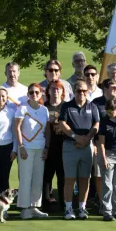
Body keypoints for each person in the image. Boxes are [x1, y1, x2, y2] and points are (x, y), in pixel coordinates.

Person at [58, 80, 100, 220]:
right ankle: (68, 208)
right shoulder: (67, 106)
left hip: (87, 147)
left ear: (87, 92)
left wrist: (87, 138)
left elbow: (96, 124)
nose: (81, 93)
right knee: (69, 179)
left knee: (84, 179)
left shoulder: (92, 106)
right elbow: (62, 123)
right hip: (70, 146)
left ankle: (82, 207)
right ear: (74, 92)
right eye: (78, 90)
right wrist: (76, 137)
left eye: (84, 91)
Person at [14, 83, 50, 219]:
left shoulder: (44, 110)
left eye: (36, 92)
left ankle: (34, 207)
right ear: (28, 94)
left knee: (37, 178)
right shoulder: (22, 108)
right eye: (31, 92)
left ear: (41, 94)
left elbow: (47, 130)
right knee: (25, 178)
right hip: (26, 148)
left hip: (40, 148)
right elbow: (17, 128)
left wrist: (46, 147)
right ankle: (24, 208)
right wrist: (21, 146)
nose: (34, 94)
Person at [43, 80, 66, 208]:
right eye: (52, 88)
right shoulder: (44, 107)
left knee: (62, 176)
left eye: (58, 89)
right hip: (48, 146)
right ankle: (46, 202)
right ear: (48, 91)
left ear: (62, 91)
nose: (55, 91)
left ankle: (64, 203)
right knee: (47, 176)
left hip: (63, 145)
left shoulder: (66, 106)